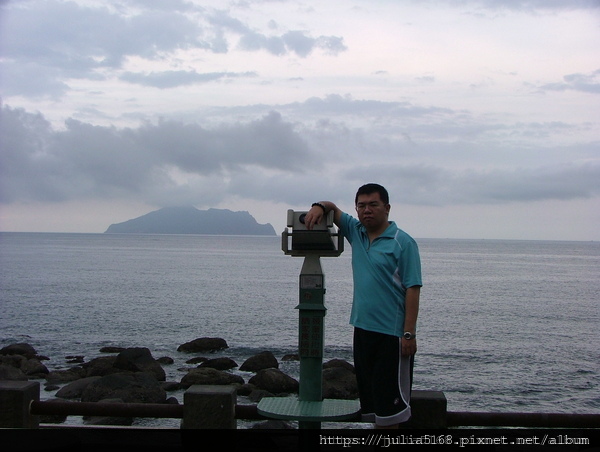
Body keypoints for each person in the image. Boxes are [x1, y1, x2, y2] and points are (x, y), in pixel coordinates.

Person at [304, 183, 422, 429]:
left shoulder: (403, 242)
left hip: (392, 337)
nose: (366, 210)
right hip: (362, 331)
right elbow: (332, 208)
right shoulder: (356, 232)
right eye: (361, 206)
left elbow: (413, 288)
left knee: (391, 414)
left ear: (387, 208)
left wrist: (409, 333)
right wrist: (318, 206)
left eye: (373, 205)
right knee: (373, 408)